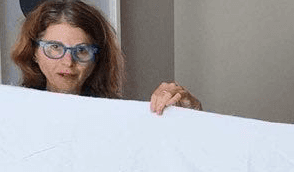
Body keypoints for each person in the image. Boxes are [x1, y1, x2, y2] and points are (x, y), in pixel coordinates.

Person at [10, 0, 201, 115]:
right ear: (34, 52)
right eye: (54, 48)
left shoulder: (118, 116)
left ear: (97, 59)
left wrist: (188, 114)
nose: (68, 62)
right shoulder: (11, 110)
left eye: (82, 50)